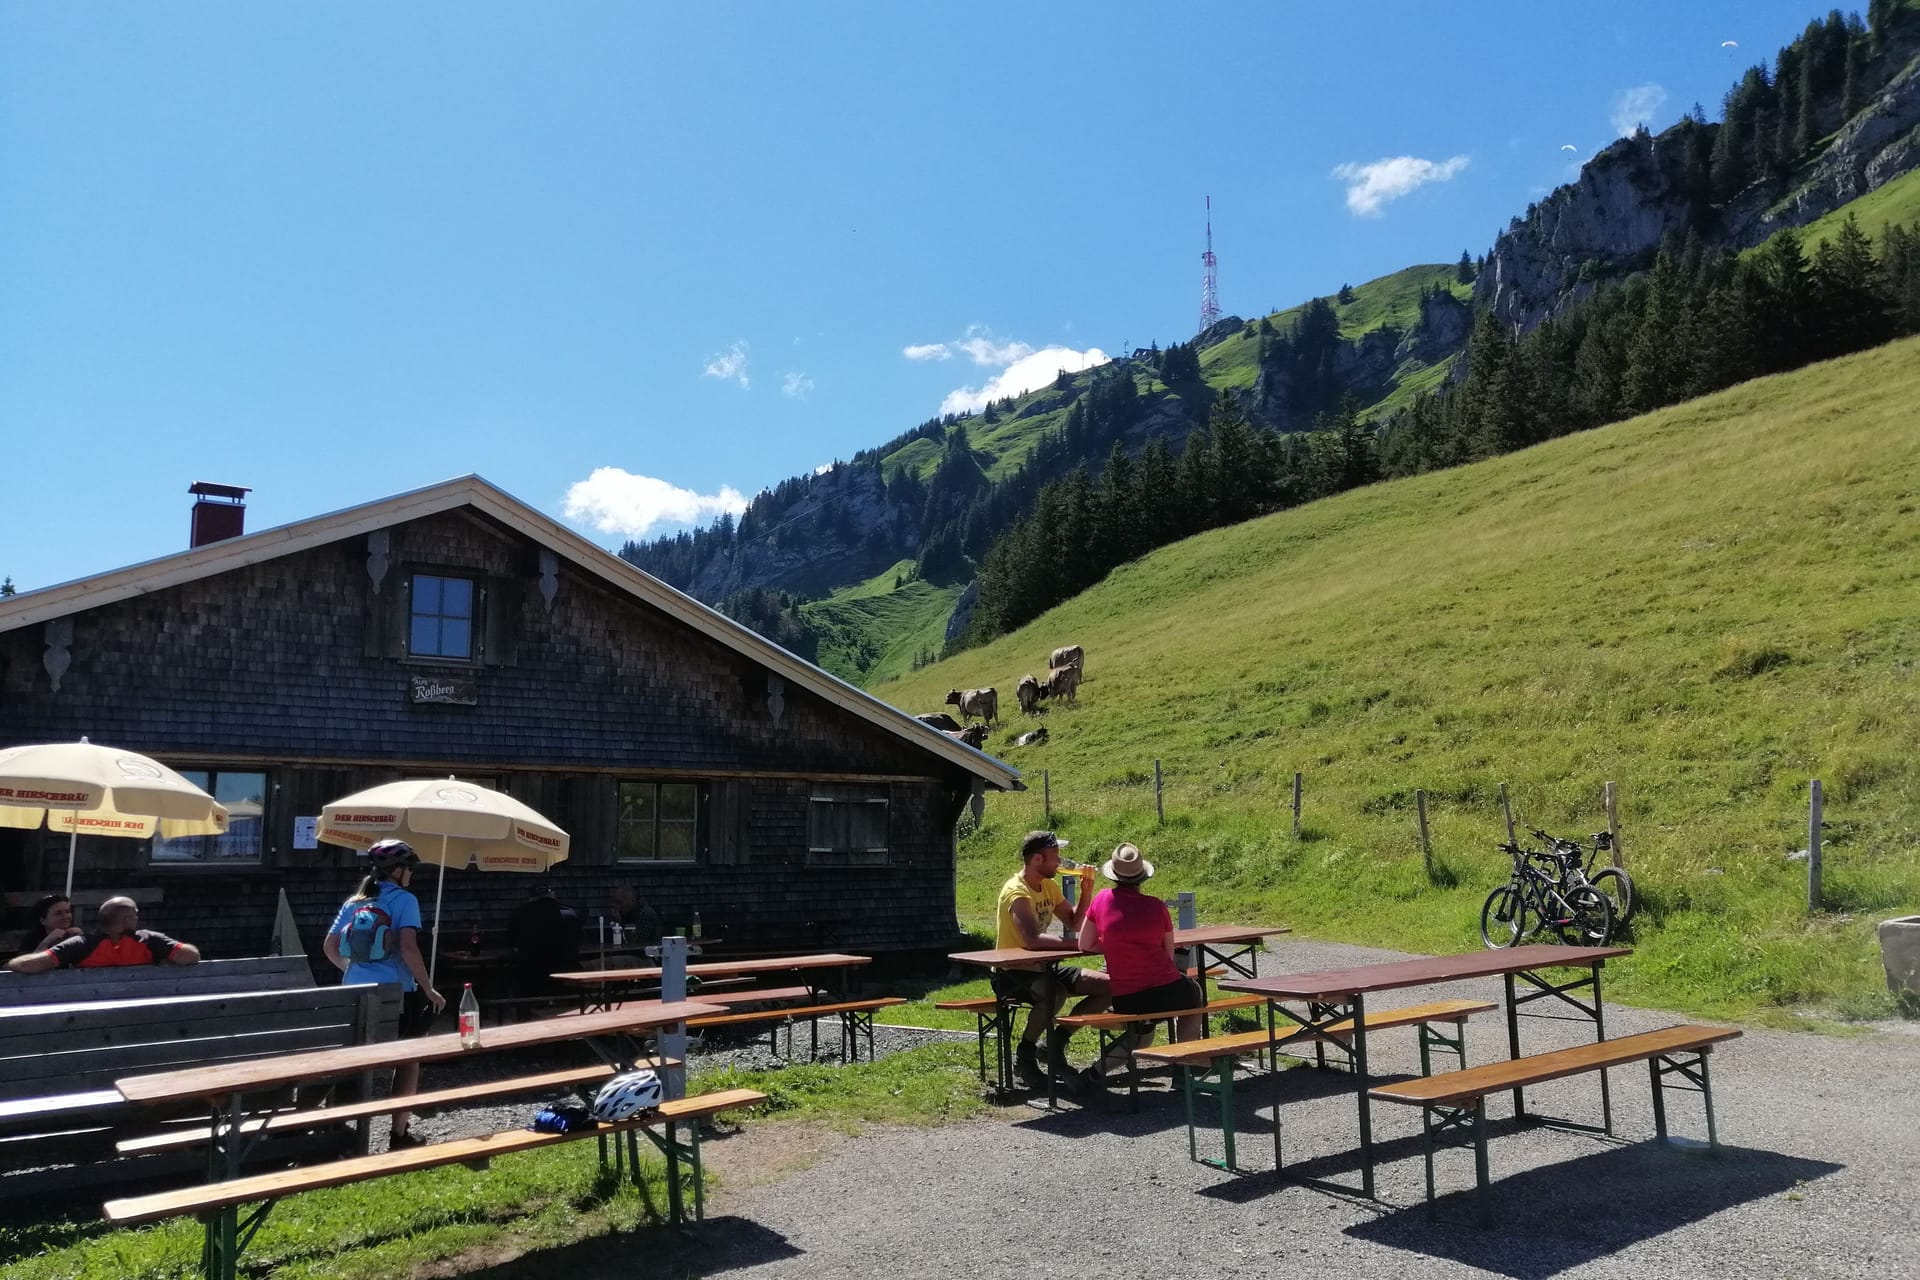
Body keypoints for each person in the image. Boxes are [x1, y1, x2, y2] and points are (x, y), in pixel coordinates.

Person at [323, 839, 445, 1149]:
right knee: (408, 1058)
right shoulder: (405, 900)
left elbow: (330, 947)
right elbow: (407, 947)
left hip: (354, 993)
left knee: (352, 1063)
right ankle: (399, 1133)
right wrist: (429, 989)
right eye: (410, 869)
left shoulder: (354, 902)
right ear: (399, 871)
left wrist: (353, 970)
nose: (412, 875)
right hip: (395, 994)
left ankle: (337, 1131)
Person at [992, 830, 1110, 1091]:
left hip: (1046, 968)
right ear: (1037, 859)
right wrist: (1078, 946)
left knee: (1109, 986)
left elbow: (1074, 922)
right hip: (1012, 972)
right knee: (1055, 993)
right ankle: (1025, 1054)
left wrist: (1086, 892)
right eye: (1055, 855)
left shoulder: (1049, 886)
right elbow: (1032, 940)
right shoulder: (1016, 892)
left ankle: (1054, 1044)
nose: (1060, 861)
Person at [1078, 842, 1202, 1082]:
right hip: (1166, 990)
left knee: (1143, 1030)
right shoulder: (1156, 906)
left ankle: (1095, 1073)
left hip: (1127, 998)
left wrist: (1116, 945)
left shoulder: (1101, 900)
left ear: (1114, 875)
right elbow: (1168, 954)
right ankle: (1182, 1066)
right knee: (1194, 994)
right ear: (1141, 877)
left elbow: (1085, 944)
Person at [7, 895, 200, 971]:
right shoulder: (149, 940)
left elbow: (22, 964)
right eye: (135, 915)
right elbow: (191, 955)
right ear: (127, 920)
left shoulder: (81, 944)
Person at [507, 883, 582, 996]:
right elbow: (579, 941)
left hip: (531, 973)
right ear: (552, 895)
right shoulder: (569, 914)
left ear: (531, 897)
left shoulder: (519, 914)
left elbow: (512, 943)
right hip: (565, 971)